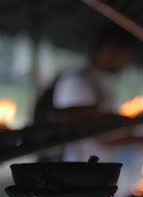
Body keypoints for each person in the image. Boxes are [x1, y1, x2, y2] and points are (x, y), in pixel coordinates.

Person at [34, 27, 134, 161]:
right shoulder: (77, 81)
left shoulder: (98, 83)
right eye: (126, 55)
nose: (126, 62)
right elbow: (97, 132)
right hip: (80, 171)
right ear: (108, 49)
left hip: (94, 170)